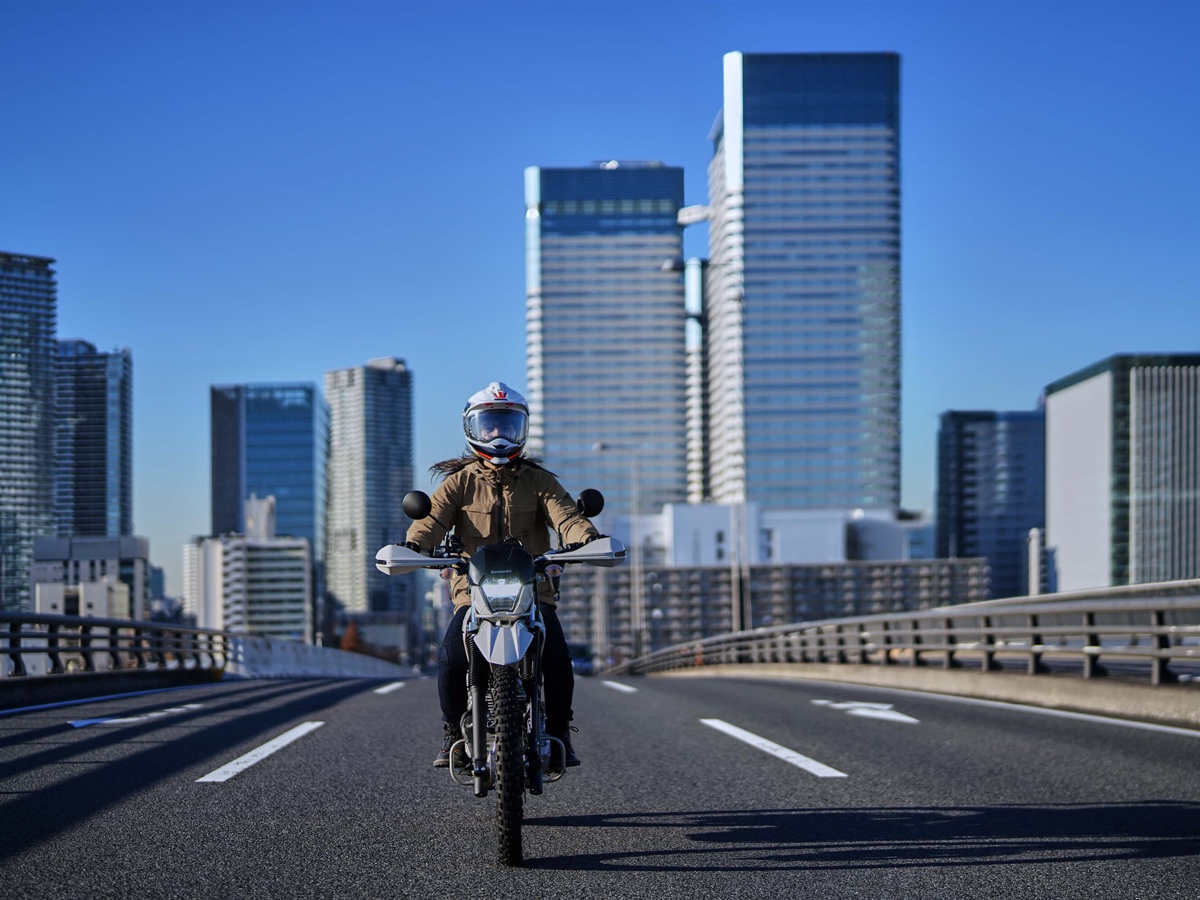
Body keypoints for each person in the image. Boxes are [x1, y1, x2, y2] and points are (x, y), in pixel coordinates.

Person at [403, 381, 601, 770]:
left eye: (507, 425)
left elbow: (565, 515)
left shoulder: (539, 481)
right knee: (451, 656)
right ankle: (452, 733)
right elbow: (432, 520)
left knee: (557, 657)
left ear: (521, 428)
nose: (498, 433)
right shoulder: (460, 482)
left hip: (532, 589)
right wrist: (414, 545)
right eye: (490, 424)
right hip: (473, 591)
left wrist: (587, 538)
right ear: (473, 428)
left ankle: (559, 731)